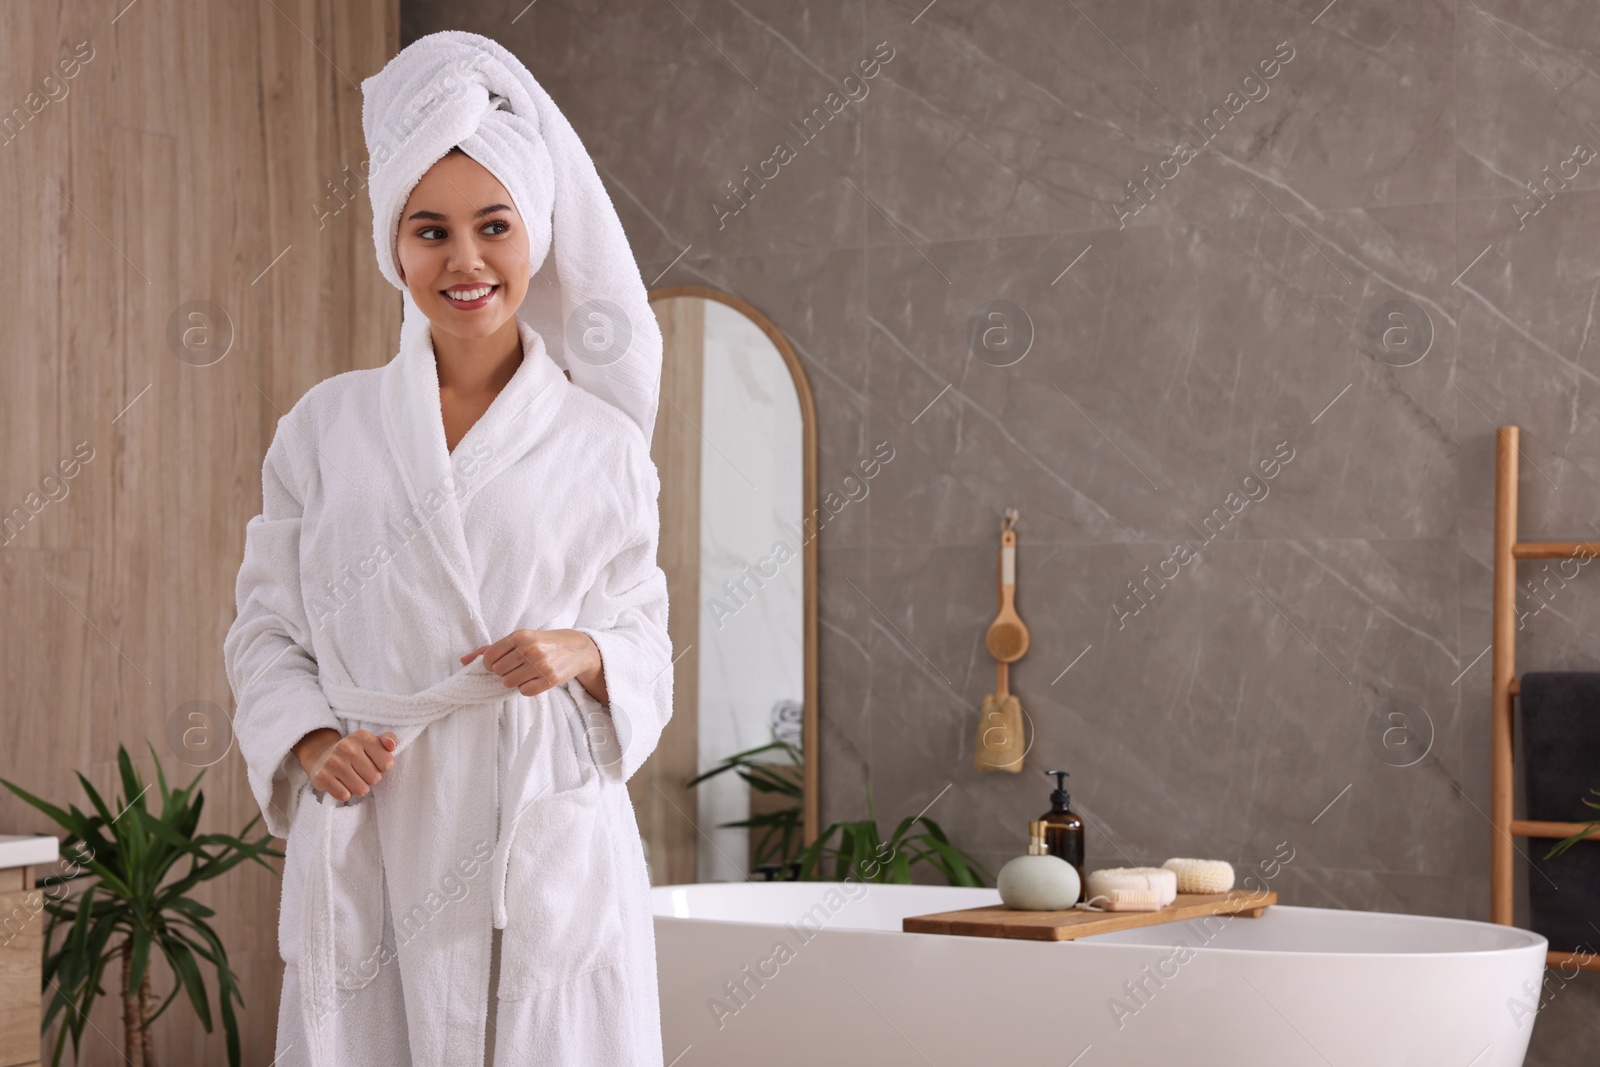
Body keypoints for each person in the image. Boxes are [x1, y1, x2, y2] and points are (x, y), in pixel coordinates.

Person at [224, 30, 671, 1067]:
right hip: (377, 808)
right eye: (430, 231)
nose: (464, 261)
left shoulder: (602, 443)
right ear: (395, 248)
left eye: (493, 226)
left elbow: (642, 630)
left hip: (536, 812)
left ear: (536, 235)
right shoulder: (322, 428)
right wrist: (307, 741)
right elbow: (265, 631)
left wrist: (585, 652)